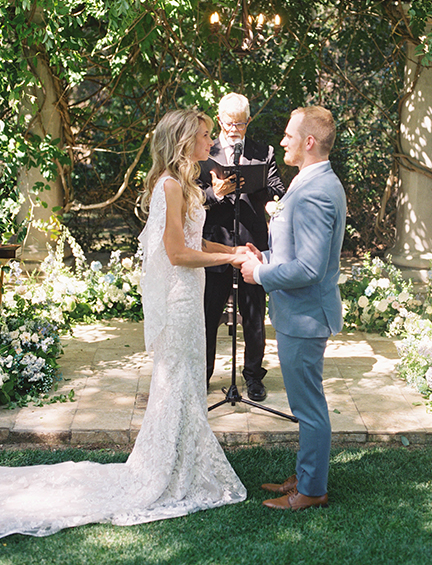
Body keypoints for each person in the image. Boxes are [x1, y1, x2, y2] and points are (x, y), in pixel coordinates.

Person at [0, 110, 247, 538]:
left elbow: (193, 241)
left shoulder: (185, 184)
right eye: (206, 137)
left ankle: (180, 464)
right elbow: (176, 254)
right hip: (180, 298)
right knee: (178, 383)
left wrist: (232, 247)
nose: (211, 143)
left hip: (190, 294)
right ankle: (165, 472)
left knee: (188, 383)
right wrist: (230, 259)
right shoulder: (169, 186)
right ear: (185, 142)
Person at [241, 105, 346, 511]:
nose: (281, 141)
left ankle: (312, 490)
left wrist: (260, 275)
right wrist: (265, 256)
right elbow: (295, 252)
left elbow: (310, 268)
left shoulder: (317, 189)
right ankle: (305, 475)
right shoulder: (309, 180)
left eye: (288, 135)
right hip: (295, 313)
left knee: (309, 408)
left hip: (305, 316)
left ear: (308, 142)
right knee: (305, 404)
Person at [198, 93, 285, 402]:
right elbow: (193, 195)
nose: (234, 128)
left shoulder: (264, 152)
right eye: (228, 122)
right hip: (214, 244)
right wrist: (216, 192)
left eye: (241, 123)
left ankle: (253, 376)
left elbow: (278, 189)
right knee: (208, 315)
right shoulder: (204, 151)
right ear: (219, 119)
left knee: (253, 316)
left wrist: (254, 184)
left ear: (249, 121)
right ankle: (203, 374)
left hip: (251, 245)